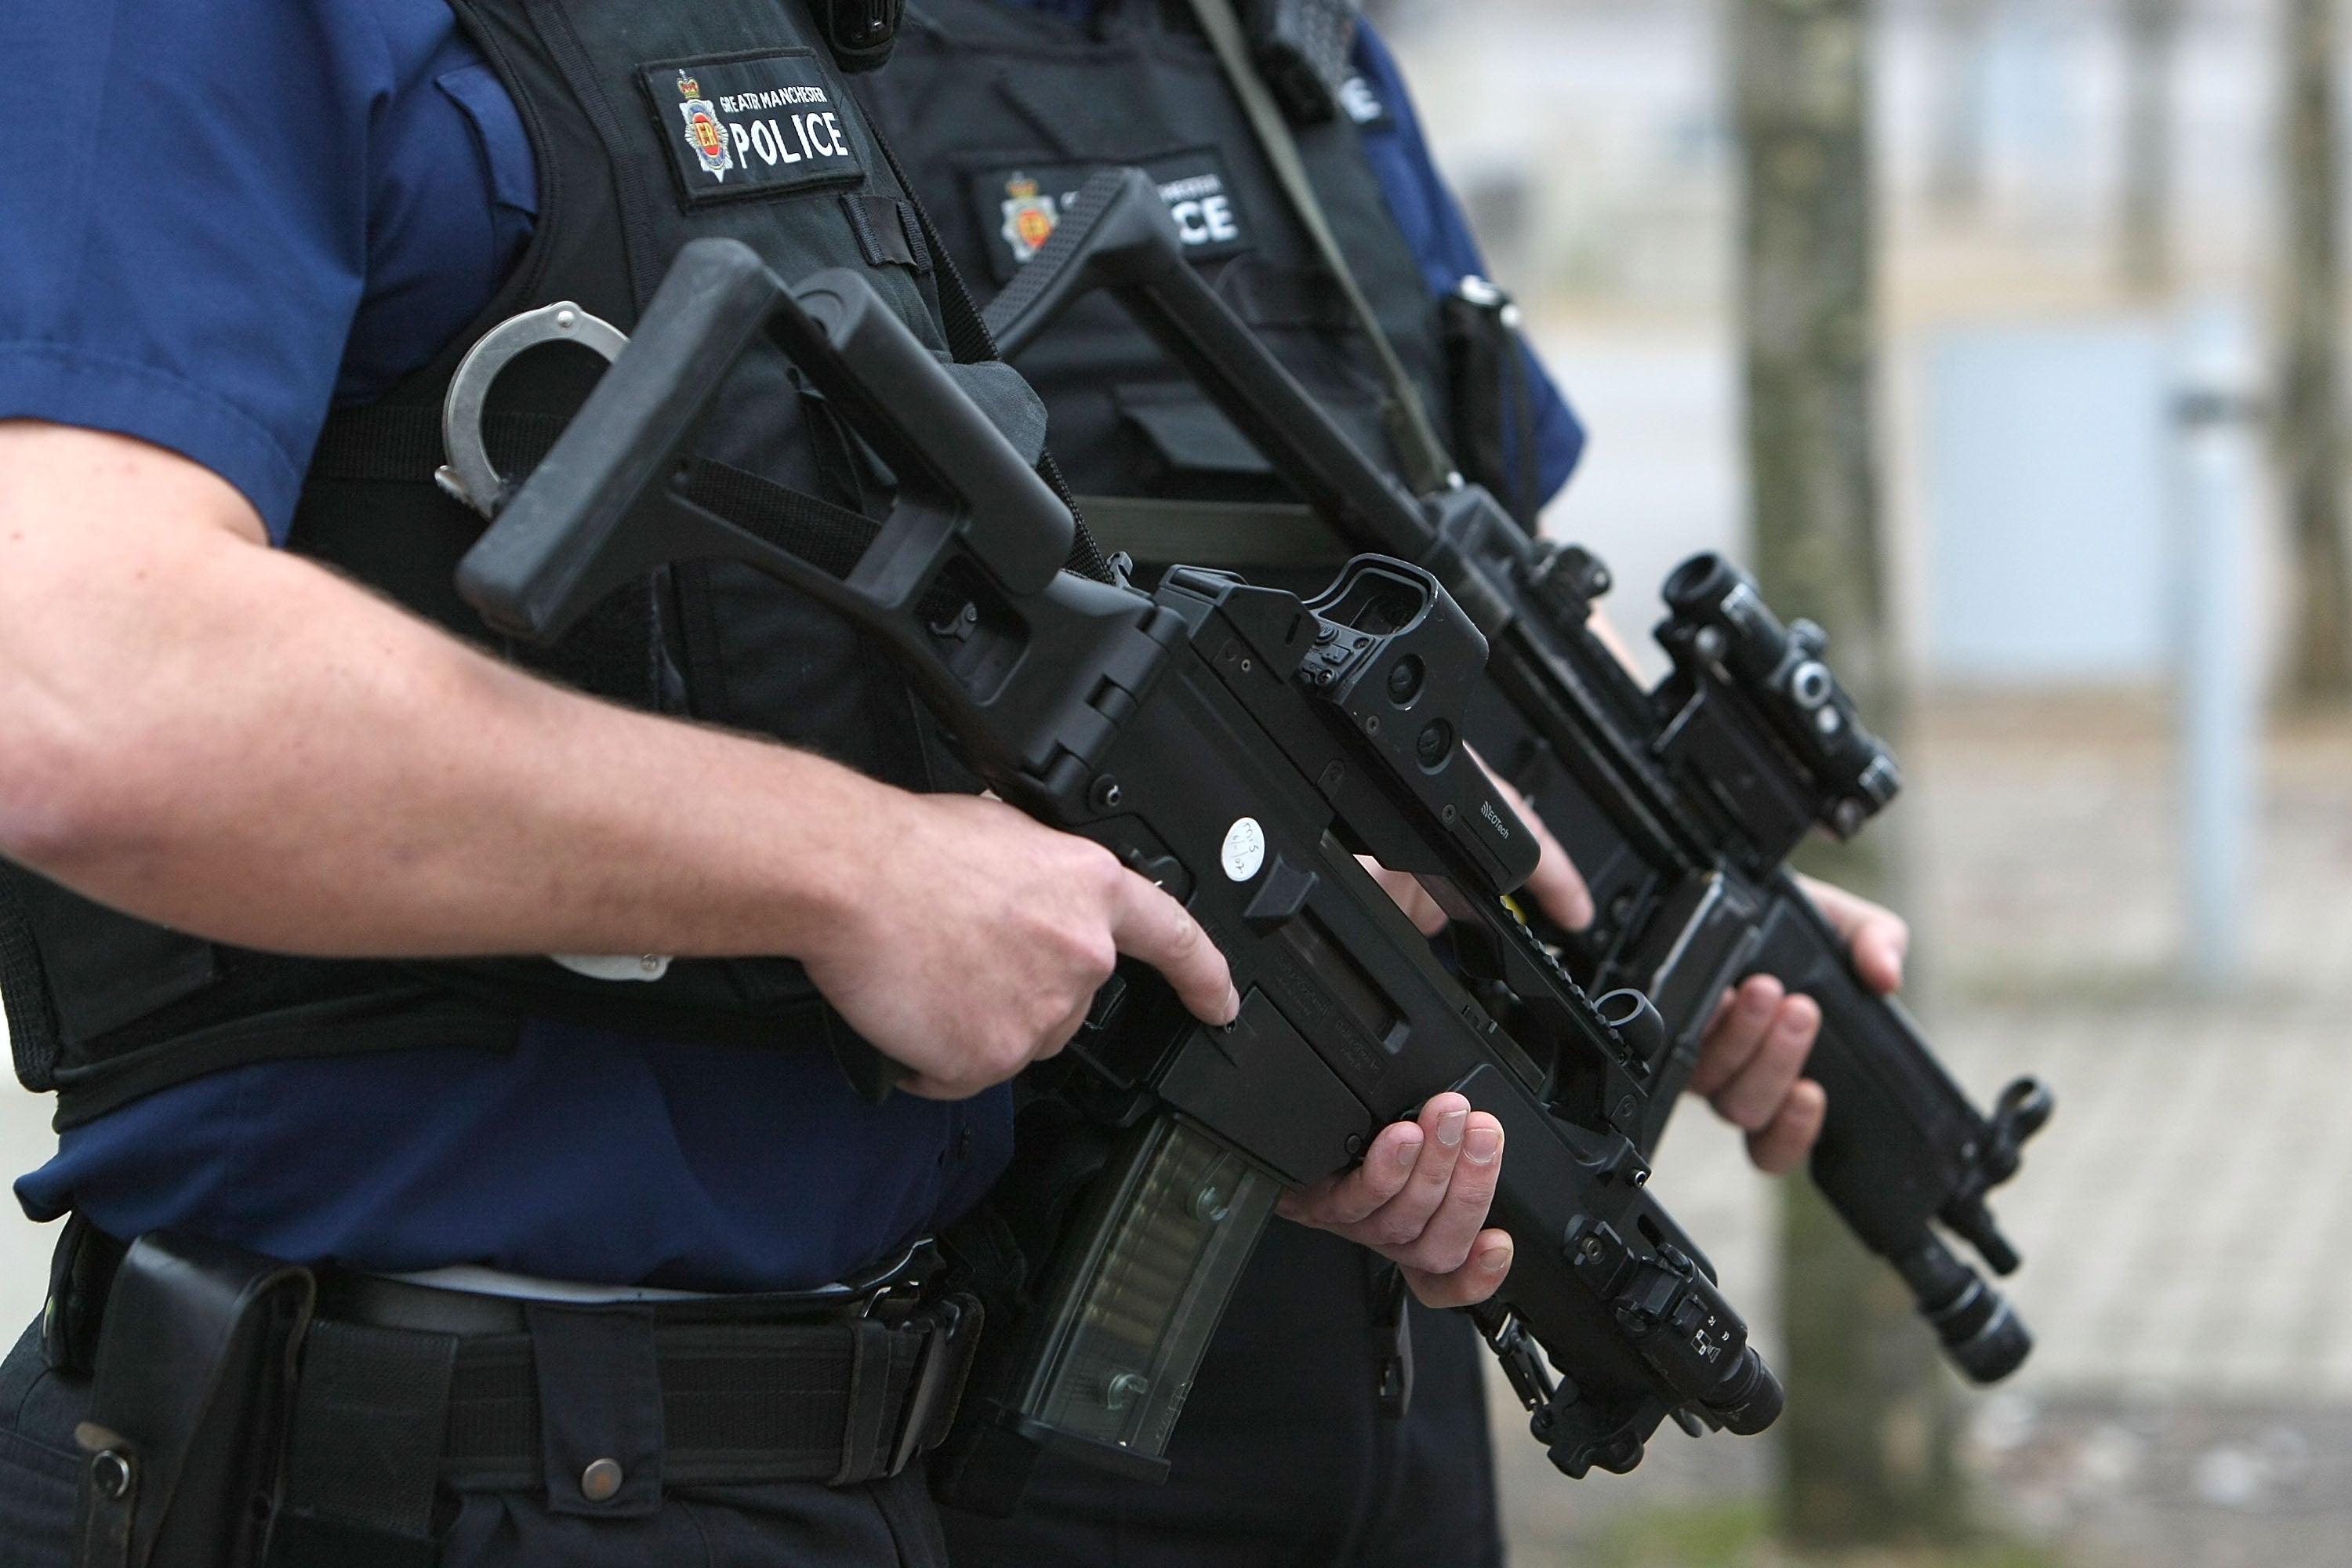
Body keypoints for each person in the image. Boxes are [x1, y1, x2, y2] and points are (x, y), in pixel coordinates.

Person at [0, 3, 1519, 1565]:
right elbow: (80, 679)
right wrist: (848, 865)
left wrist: (1245, 1038)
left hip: (825, 1459)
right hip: (416, 1454)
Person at [855, 2, 1911, 1563]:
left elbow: (1494, 557)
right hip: (995, 1281)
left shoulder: (1295, 53)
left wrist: (1672, 885)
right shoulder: (806, 54)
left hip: (1391, 1298)